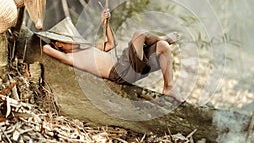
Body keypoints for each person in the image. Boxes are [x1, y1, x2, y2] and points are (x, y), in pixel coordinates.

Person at [37, 9, 182, 101]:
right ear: (60, 44)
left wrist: (105, 24)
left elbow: (112, 44)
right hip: (120, 72)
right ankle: (161, 38)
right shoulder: (71, 57)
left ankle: (168, 87)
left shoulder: (88, 49)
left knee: (163, 48)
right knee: (140, 34)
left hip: (128, 65)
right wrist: (52, 40)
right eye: (69, 41)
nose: (74, 42)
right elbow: (46, 49)